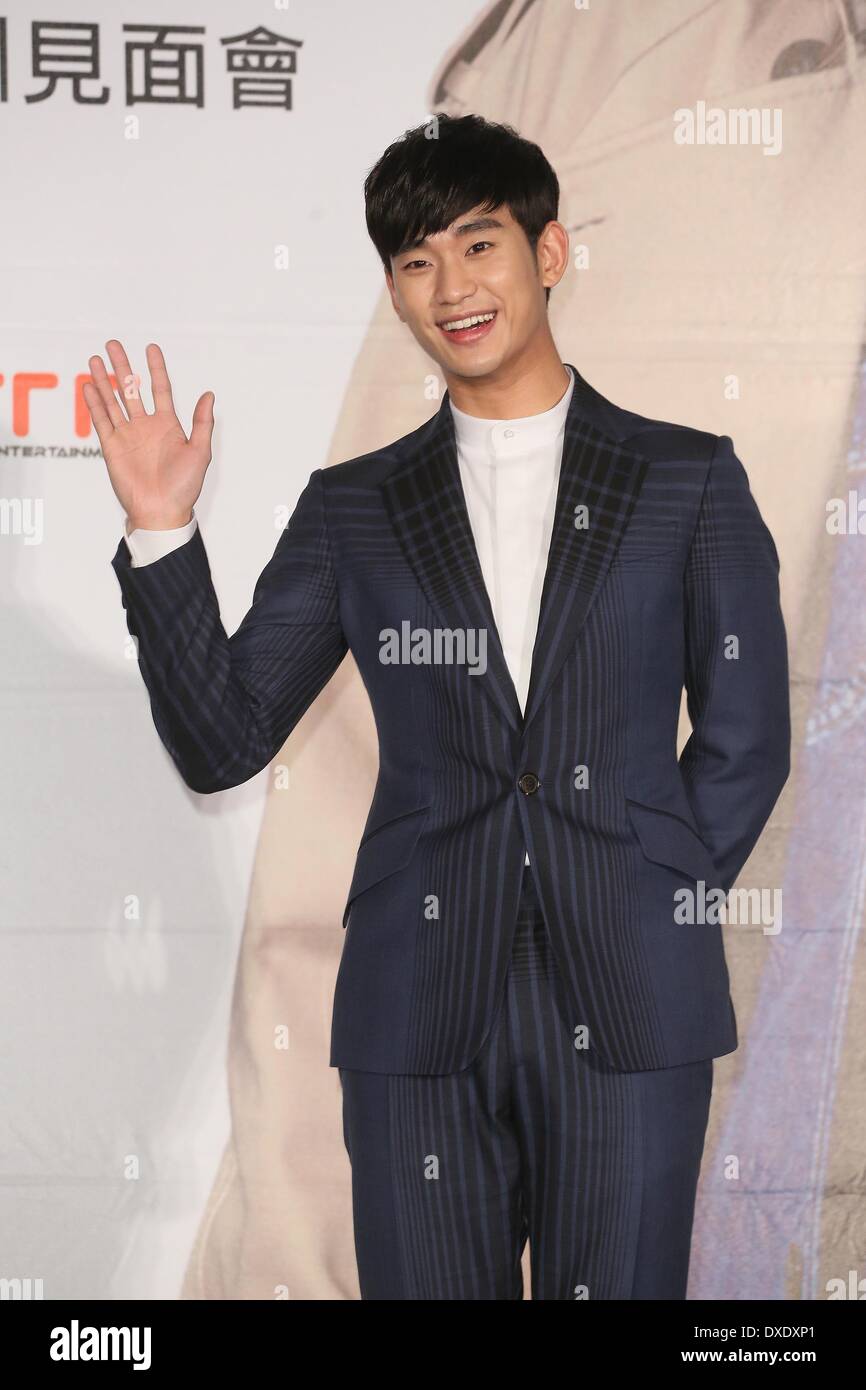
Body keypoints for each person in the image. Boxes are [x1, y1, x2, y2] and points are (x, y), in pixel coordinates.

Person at [84, 113, 790, 1300]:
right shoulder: (354, 507)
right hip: (418, 1013)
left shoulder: (686, 478)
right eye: (414, 262)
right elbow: (223, 740)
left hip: (628, 1010)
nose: (449, 287)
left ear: (547, 253)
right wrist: (162, 531)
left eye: (477, 246)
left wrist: (642, 894)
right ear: (395, 294)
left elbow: (746, 736)